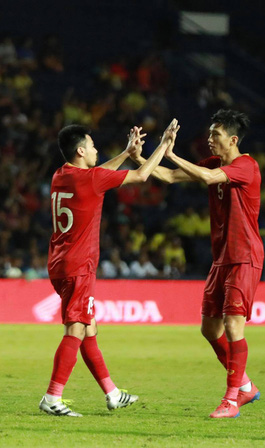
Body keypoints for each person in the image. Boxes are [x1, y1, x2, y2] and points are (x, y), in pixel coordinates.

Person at [39, 119, 179, 417]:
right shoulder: (91, 179)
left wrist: (128, 152)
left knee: (89, 328)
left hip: (59, 261)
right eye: (91, 146)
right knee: (76, 328)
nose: (96, 150)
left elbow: (99, 172)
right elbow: (142, 175)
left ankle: (112, 393)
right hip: (79, 264)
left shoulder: (61, 175)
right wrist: (163, 146)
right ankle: (53, 397)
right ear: (80, 151)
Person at [131, 109, 263, 418]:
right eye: (209, 134)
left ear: (232, 139)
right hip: (222, 258)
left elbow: (206, 177)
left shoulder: (247, 166)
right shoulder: (214, 163)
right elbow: (171, 176)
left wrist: (170, 151)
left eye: (214, 135)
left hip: (244, 256)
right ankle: (245, 385)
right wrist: (139, 158)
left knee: (232, 325)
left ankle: (232, 399)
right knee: (209, 328)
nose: (209, 140)